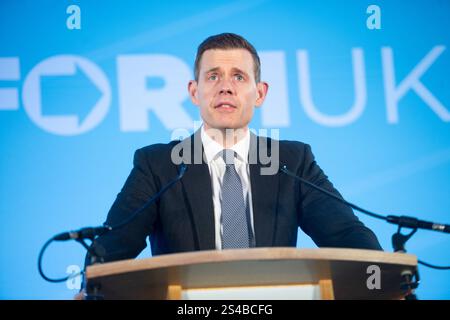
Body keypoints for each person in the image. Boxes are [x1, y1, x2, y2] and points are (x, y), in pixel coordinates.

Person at [85, 33, 382, 268]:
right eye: (213, 76)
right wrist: (92, 287)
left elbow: (345, 234)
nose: (225, 87)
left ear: (260, 93)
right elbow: (112, 247)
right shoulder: (158, 165)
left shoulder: (292, 162)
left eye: (238, 77)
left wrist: (384, 278)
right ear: (194, 91)